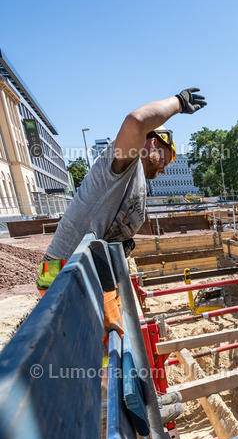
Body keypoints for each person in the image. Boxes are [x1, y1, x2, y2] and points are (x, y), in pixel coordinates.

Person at [37, 87, 207, 294]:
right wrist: (179, 102)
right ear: (153, 142)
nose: (165, 167)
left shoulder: (138, 183)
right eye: (167, 156)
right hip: (67, 273)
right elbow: (135, 121)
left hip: (91, 275)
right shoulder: (124, 163)